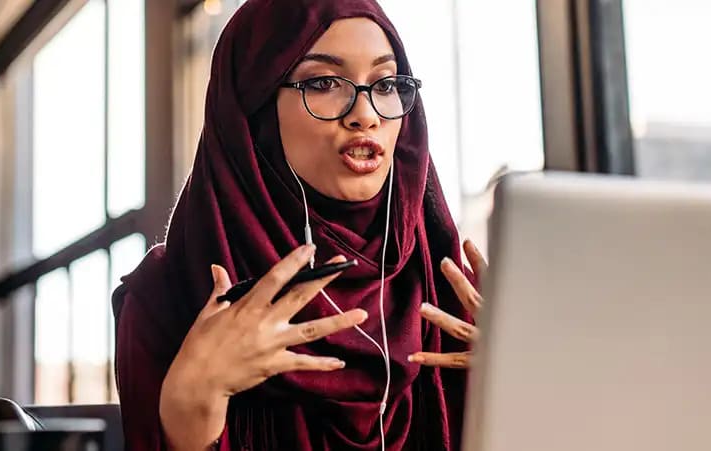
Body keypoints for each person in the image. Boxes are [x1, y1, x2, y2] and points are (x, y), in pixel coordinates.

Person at [113, 0, 487, 449]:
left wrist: (529, 392)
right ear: (253, 114)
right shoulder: (169, 297)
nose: (365, 114)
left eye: (386, 83)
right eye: (324, 82)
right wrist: (193, 403)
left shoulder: (444, 292)